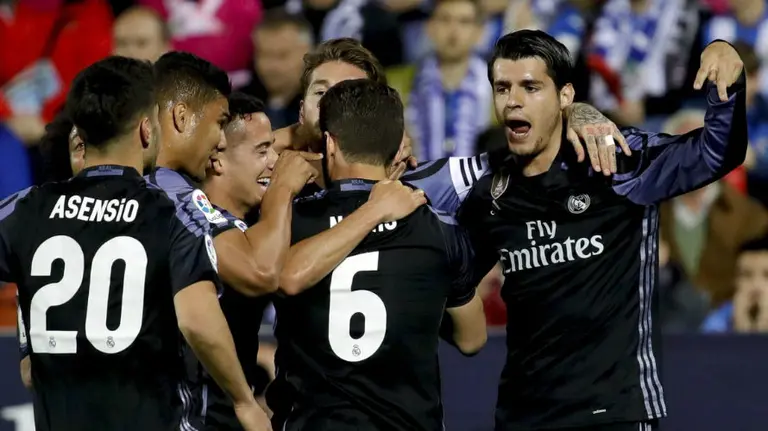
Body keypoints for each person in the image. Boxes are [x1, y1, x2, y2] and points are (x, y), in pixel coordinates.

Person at [410, 30, 746, 430]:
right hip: (522, 416)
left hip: (614, 413)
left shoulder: (618, 162)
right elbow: (390, 192)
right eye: (502, 87)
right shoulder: (487, 185)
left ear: (565, 96)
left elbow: (714, 153)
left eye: (530, 87)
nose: (512, 100)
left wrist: (728, 71)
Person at [2, 56, 263, 431]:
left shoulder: (27, 209)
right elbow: (196, 318)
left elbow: (29, 373)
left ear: (81, 136)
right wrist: (244, 401)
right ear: (146, 130)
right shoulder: (171, 212)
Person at [269, 79, 487, 431]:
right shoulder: (439, 228)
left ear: (329, 144)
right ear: (396, 148)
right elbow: (472, 338)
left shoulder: (291, 219)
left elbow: (279, 273)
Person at [200, 92, 280, 429]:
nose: (276, 161)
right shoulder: (196, 226)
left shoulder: (248, 224)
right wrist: (284, 191)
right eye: (263, 151)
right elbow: (264, 273)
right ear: (217, 159)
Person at [702, 235, 768, 333]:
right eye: (746, 275)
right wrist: (740, 329)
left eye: (767, 275)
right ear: (735, 281)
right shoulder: (716, 322)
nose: (756, 286)